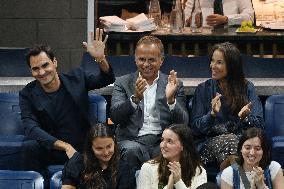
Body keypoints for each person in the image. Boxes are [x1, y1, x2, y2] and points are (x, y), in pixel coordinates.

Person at [19, 28, 115, 170]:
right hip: (53, 147)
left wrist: (100, 59)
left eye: (45, 65)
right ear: (31, 71)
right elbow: (31, 128)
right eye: (35, 68)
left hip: (82, 146)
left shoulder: (77, 78)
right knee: (29, 147)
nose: (42, 72)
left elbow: (106, 78)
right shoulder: (27, 94)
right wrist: (64, 146)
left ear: (55, 62)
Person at [110, 35, 189, 170]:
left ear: (161, 61)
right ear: (135, 59)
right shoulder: (122, 83)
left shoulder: (174, 84)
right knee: (131, 150)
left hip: (162, 140)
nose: (146, 64)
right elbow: (115, 116)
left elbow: (183, 123)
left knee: (167, 151)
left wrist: (171, 101)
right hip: (132, 140)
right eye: (142, 59)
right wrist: (135, 99)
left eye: (151, 60)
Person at [190, 42, 264, 170]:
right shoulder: (203, 89)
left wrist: (246, 118)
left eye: (219, 62)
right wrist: (211, 115)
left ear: (232, 65)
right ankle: (244, 182)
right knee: (230, 142)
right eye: (212, 61)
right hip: (208, 144)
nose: (213, 66)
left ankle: (230, 179)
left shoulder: (247, 87)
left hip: (241, 143)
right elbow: (195, 129)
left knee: (237, 147)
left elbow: (260, 126)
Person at [61, 123, 136, 189]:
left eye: (109, 146)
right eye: (99, 149)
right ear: (91, 147)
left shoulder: (125, 169)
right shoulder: (76, 163)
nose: (106, 153)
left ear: (114, 142)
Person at [137, 124, 207, 189]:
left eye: (169, 141)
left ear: (183, 146)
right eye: (162, 140)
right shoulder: (148, 168)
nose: (162, 145)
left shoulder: (199, 171)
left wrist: (178, 182)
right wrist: (169, 186)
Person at [184, 0, 255, 27]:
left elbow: (250, 18)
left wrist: (226, 19)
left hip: (232, 45)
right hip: (201, 46)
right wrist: (192, 22)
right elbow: (184, 22)